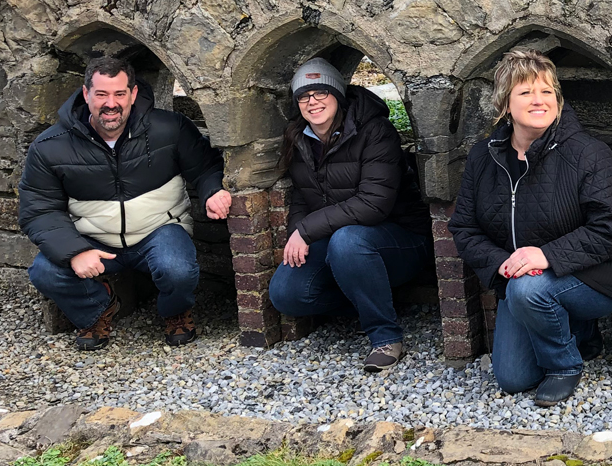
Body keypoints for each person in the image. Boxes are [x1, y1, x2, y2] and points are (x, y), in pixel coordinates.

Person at [450, 49, 612, 406]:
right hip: (520, 279)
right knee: (513, 378)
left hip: (598, 274)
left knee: (528, 291)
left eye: (546, 92)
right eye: (525, 93)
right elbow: (463, 227)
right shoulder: (484, 156)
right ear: (505, 104)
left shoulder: (587, 153)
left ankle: (564, 365)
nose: (538, 100)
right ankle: (576, 330)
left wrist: (545, 255)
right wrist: (501, 264)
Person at [22, 56, 231, 350]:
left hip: (159, 229)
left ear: (133, 94)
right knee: (45, 271)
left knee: (178, 269)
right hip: (93, 238)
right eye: (102, 94)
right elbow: (39, 209)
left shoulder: (169, 128)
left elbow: (206, 166)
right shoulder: (50, 146)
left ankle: (175, 312)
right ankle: (98, 307)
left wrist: (212, 191)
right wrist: (74, 252)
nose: (111, 103)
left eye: (119, 93)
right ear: (86, 94)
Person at [267, 58, 434, 373]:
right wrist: (296, 234)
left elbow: (374, 203)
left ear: (337, 94)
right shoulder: (299, 138)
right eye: (304, 96)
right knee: (286, 294)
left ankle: (385, 336)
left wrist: (306, 231)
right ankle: (368, 299)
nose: (312, 101)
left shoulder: (374, 131)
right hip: (337, 241)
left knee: (348, 242)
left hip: (400, 240)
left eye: (320, 92)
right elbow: (302, 196)